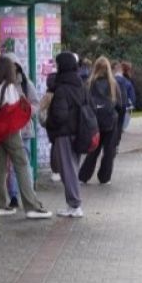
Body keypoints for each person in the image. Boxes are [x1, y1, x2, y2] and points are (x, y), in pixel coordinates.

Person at [0, 56, 52, 219]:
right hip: (10, 131)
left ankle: (0, 204)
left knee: (0, 166)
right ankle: (31, 206)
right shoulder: (9, 88)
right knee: (21, 164)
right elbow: (15, 111)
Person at [45, 52, 85, 217]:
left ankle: (75, 205)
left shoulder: (61, 88)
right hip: (79, 132)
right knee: (72, 168)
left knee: (67, 170)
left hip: (64, 134)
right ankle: (72, 204)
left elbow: (59, 115)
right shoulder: (80, 84)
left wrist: (50, 123)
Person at [79, 57, 127, 185]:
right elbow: (120, 106)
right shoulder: (113, 84)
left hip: (94, 122)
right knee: (109, 151)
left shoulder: (89, 83)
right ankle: (104, 178)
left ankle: (84, 176)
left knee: (93, 150)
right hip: (110, 121)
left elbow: (84, 103)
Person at [113, 61, 136, 136]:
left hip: (116, 102)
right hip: (124, 103)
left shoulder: (114, 79)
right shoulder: (127, 81)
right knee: (121, 121)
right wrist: (131, 103)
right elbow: (131, 94)